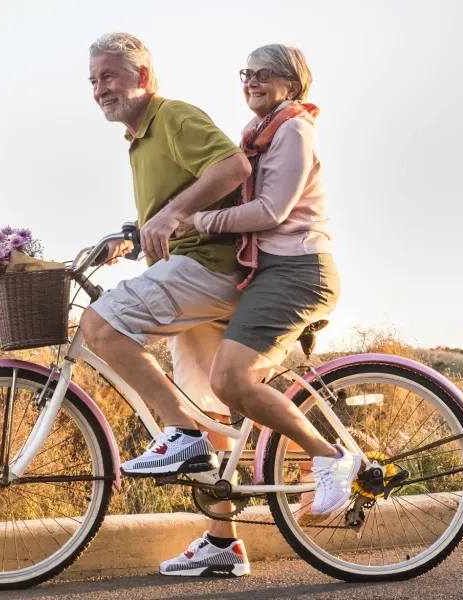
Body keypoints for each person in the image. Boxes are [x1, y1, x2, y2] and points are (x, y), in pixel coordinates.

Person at [156, 44, 359, 577]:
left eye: (265, 73)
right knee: (210, 394)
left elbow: (271, 211)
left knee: (230, 379)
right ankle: (221, 543)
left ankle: (330, 457)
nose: (251, 80)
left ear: (293, 84)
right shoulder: (257, 135)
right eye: (246, 72)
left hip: (299, 272)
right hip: (268, 274)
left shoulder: (293, 130)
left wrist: (196, 221)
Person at [82, 33, 252, 577]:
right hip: (190, 272)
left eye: (109, 76)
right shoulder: (137, 140)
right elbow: (167, 209)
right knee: (212, 416)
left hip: (210, 269)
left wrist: (171, 216)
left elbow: (233, 169)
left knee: (99, 325)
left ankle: (178, 433)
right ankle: (223, 544)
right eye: (93, 80)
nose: (99, 89)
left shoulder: (173, 116)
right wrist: (132, 235)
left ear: (144, 77)